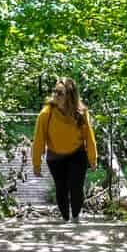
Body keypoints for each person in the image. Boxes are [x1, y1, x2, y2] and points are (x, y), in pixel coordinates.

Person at [31, 78, 98, 223]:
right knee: (61, 188)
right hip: (55, 157)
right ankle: (65, 219)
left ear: (70, 95)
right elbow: (38, 140)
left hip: (77, 154)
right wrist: (36, 164)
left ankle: (75, 217)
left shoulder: (81, 112)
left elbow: (89, 137)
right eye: (54, 91)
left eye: (60, 93)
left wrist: (93, 159)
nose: (56, 95)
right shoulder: (46, 113)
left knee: (76, 187)